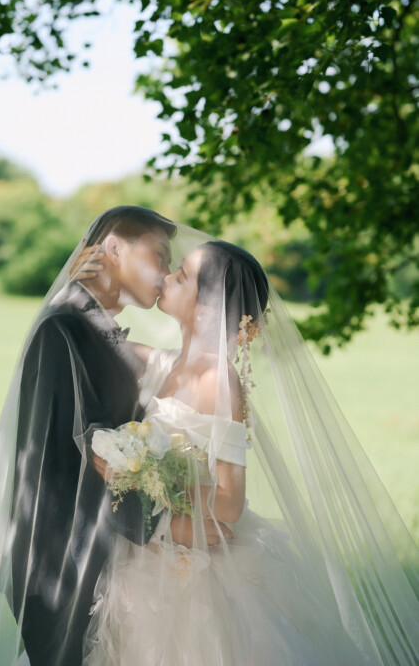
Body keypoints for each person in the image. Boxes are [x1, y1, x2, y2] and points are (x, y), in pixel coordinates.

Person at [81, 238, 419, 665]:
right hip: (146, 552)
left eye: (181, 276)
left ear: (206, 308)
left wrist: (141, 480)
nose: (167, 278)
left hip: (195, 566)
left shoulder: (218, 381)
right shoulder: (162, 364)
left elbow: (229, 501)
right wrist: (94, 286)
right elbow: (96, 340)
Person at [0, 206, 231, 666]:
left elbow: (178, 379)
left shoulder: (94, 328)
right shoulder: (63, 330)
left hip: (109, 548)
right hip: (66, 558)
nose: (166, 273)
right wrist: (161, 526)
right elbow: (60, 464)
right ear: (113, 249)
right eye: (160, 255)